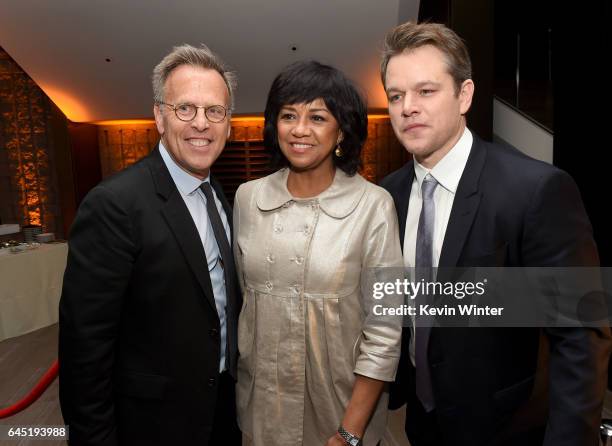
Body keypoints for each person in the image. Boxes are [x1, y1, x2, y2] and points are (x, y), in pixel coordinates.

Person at [379, 21, 611, 446]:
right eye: (396, 96)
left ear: (464, 95)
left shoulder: (536, 189)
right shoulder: (386, 196)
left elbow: (581, 333)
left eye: (425, 91)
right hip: (422, 424)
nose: (407, 107)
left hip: (509, 427)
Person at [58, 44, 241, 446]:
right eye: (185, 109)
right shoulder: (115, 205)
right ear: (159, 116)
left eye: (215, 111)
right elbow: (85, 350)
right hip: (152, 424)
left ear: (228, 124)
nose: (201, 124)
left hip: (222, 410)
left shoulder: (218, 195)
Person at [233, 60, 403, 446]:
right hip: (261, 409)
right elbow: (246, 304)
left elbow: (385, 331)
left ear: (341, 129)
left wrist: (350, 432)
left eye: (318, 117)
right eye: (288, 115)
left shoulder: (374, 206)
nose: (300, 130)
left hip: (339, 409)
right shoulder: (248, 198)